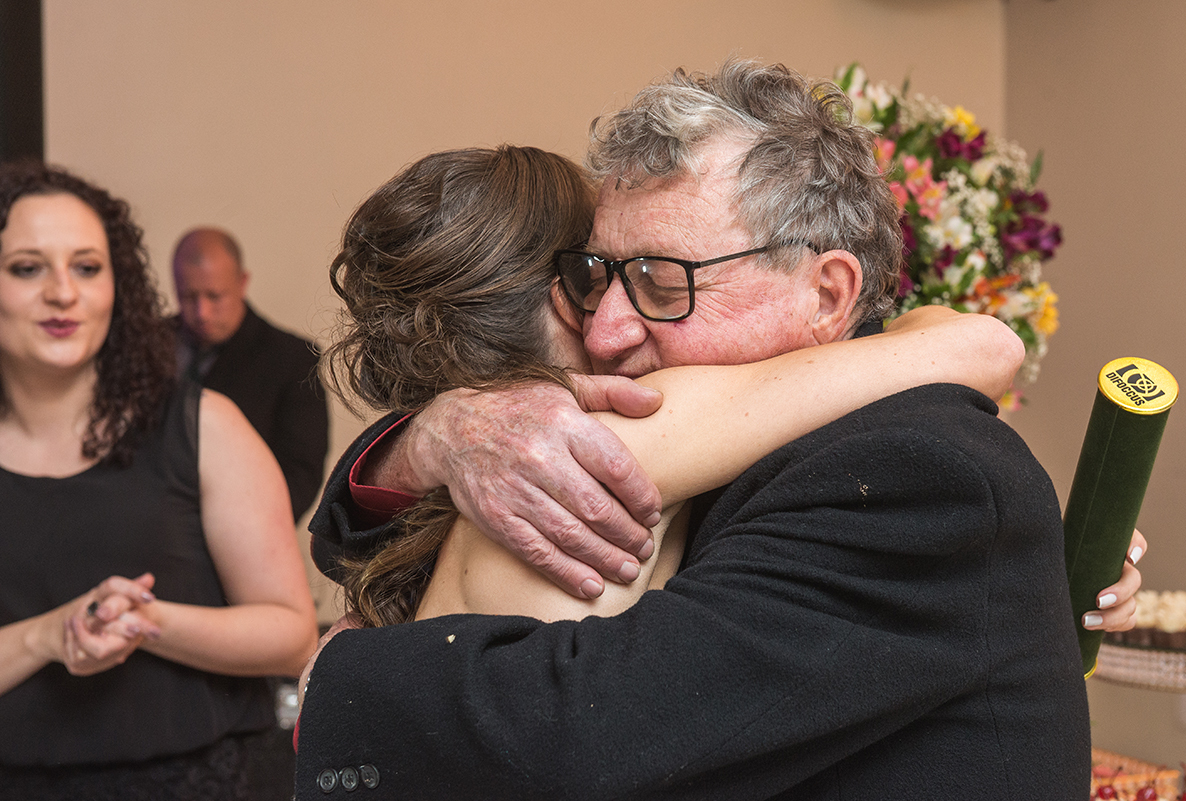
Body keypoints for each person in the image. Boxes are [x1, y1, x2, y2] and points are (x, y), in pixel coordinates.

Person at [299, 62, 1133, 798]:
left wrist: (338, 677)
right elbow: (351, 536)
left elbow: (585, 741)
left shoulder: (917, 468)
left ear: (828, 295)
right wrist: (435, 435)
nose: (606, 330)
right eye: (600, 276)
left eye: (664, 283)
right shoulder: (711, 431)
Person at [309, 145, 1022, 632]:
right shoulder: (618, 441)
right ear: (566, 300)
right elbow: (970, 345)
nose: (621, 317)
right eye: (603, 272)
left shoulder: (454, 499)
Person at [0, 161, 318, 800]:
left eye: (87, 267)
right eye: (27, 267)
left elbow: (291, 638)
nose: (63, 292)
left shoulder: (207, 427)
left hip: (193, 782)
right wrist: (50, 634)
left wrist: (143, 620)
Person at [172, 227, 329, 522]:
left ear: (242, 283)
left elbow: (300, 474)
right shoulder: (149, 345)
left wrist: (250, 530)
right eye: (188, 296)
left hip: (246, 531)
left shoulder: (292, 358)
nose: (202, 312)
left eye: (214, 296)